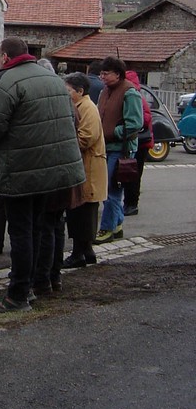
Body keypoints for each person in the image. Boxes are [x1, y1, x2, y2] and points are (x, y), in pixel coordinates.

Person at [0, 36, 85, 313]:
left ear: (6, 57)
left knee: (22, 232)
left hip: (22, 170)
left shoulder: (6, 80)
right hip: (54, 170)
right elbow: (70, 121)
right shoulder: (55, 81)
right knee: (37, 229)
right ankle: (35, 285)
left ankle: (17, 295)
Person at [95, 56, 143, 244]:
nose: (102, 77)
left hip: (120, 150)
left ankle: (107, 229)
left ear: (118, 74)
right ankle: (117, 224)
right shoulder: (105, 91)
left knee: (111, 191)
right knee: (110, 188)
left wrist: (111, 131)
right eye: (101, 73)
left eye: (106, 73)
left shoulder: (130, 92)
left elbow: (135, 124)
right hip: (106, 147)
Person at [62, 72, 108, 267]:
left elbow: (86, 138)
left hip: (88, 168)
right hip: (84, 168)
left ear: (80, 91)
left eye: (69, 90)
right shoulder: (81, 105)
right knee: (80, 212)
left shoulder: (87, 108)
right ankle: (86, 251)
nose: (66, 94)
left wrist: (65, 142)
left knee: (83, 212)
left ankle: (79, 253)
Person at [123, 70, 154, 216]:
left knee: (133, 174)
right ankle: (130, 203)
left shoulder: (134, 95)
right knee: (131, 174)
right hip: (139, 142)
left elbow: (145, 118)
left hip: (140, 142)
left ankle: (132, 204)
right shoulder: (136, 94)